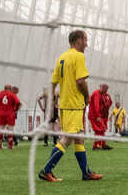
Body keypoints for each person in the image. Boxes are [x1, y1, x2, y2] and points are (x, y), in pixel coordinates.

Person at [38, 30, 102, 182]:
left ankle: (86, 172)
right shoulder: (78, 56)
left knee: (79, 138)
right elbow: (81, 81)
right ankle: (46, 170)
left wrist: (54, 100)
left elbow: (53, 82)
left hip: (64, 104)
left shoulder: (62, 57)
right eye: (85, 40)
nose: (87, 44)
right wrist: (87, 97)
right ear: (78, 41)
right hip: (74, 104)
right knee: (67, 139)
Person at [0, 83, 19, 150]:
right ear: (10, 89)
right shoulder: (12, 94)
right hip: (10, 114)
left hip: (1, 114)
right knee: (10, 129)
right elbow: (18, 102)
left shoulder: (0, 93)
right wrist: (15, 109)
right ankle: (10, 145)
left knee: (1, 129)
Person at [88, 82, 114, 150]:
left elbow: (110, 102)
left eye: (107, 89)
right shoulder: (96, 93)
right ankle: (96, 146)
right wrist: (98, 116)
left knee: (102, 130)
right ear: (101, 87)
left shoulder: (105, 94)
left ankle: (103, 145)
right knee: (98, 130)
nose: (106, 90)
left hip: (103, 116)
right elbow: (96, 106)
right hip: (95, 116)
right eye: (105, 89)